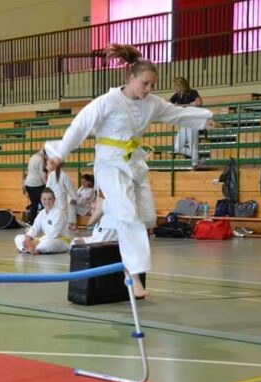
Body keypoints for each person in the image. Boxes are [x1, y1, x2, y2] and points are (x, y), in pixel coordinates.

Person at [44, 44, 213, 299]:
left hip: (134, 163)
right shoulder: (107, 102)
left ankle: (107, 206)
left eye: (152, 85)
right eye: (144, 83)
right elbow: (79, 127)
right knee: (129, 216)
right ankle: (132, 276)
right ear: (130, 78)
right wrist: (59, 155)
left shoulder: (151, 103)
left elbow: (175, 113)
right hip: (110, 164)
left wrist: (203, 118)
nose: (148, 89)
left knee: (147, 217)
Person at [14, 188, 70, 255]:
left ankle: (31, 248)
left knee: (47, 244)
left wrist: (35, 242)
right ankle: (29, 249)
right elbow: (35, 228)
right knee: (18, 238)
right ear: (41, 200)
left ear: (54, 199)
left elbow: (54, 234)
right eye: (44, 199)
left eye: (50, 199)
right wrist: (28, 238)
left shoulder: (59, 213)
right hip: (43, 240)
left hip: (59, 241)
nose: (47, 202)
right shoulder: (42, 213)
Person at [170, 77, 203, 169]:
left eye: (176, 86)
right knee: (177, 147)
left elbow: (199, 102)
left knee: (193, 145)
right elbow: (168, 104)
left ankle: (194, 164)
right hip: (183, 123)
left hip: (192, 122)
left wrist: (185, 105)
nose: (175, 88)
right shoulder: (177, 95)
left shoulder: (192, 92)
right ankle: (197, 157)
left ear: (181, 85)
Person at [45, 163, 77, 229]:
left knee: (53, 211)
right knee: (62, 212)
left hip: (52, 197)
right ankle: (62, 225)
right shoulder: (64, 175)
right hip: (61, 198)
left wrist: (47, 197)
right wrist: (74, 197)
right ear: (63, 165)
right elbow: (70, 187)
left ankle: (53, 225)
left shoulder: (51, 174)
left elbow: (47, 187)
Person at [23, 148, 47, 224]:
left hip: (28, 184)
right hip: (37, 184)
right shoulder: (40, 159)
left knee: (34, 204)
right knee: (44, 204)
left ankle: (31, 222)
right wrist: (48, 186)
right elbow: (42, 175)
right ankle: (44, 222)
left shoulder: (33, 157)